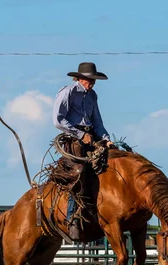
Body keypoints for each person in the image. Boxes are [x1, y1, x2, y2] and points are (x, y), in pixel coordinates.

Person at [52, 62, 114, 240]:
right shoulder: (68, 92)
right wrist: (80, 134)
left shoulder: (92, 95)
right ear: (80, 78)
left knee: (107, 167)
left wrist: (106, 139)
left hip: (92, 137)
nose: (92, 83)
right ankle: (72, 216)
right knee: (78, 173)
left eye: (93, 80)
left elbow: (97, 122)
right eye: (89, 80)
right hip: (74, 140)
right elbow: (58, 120)